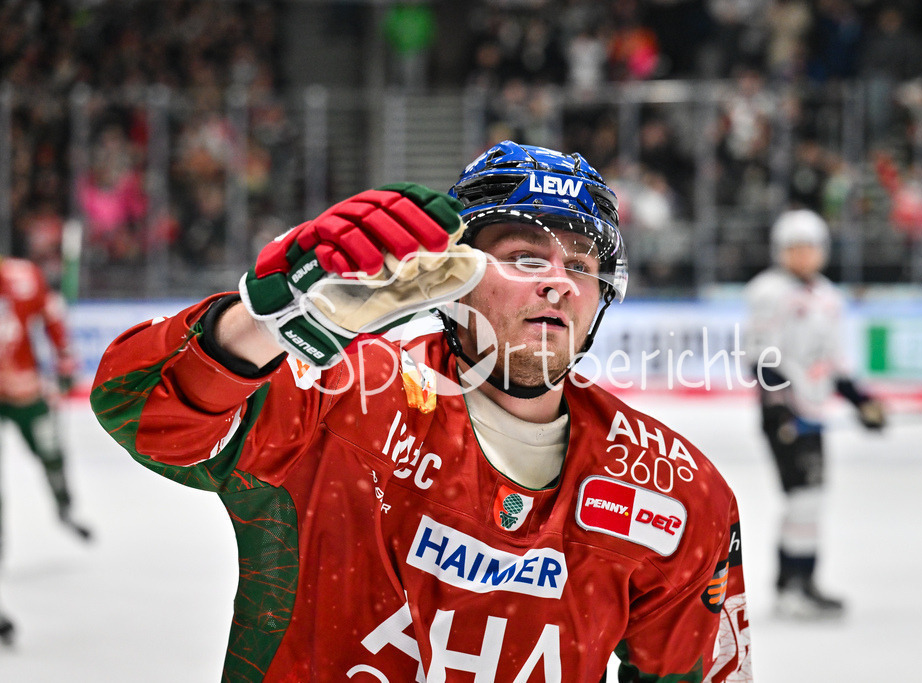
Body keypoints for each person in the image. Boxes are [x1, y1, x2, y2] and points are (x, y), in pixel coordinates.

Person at [91, 141, 752, 680]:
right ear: (452, 276)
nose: (558, 281)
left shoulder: (677, 490)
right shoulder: (341, 396)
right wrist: (268, 324)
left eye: (581, 265)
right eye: (525, 257)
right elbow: (138, 409)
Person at [744, 208, 886, 619]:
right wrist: (779, 409)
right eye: (795, 248)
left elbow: (834, 363)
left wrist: (863, 402)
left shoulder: (828, 297)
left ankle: (803, 582)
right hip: (785, 414)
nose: (803, 255)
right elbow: (761, 358)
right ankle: (791, 586)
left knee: (812, 499)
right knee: (801, 498)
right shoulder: (769, 292)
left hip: (814, 411)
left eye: (810, 247)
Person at [0, 255, 92, 555]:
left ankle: (64, 503)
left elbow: (52, 313)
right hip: (18, 385)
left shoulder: (24, 276)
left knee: (51, 451)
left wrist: (65, 361)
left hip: (25, 389)